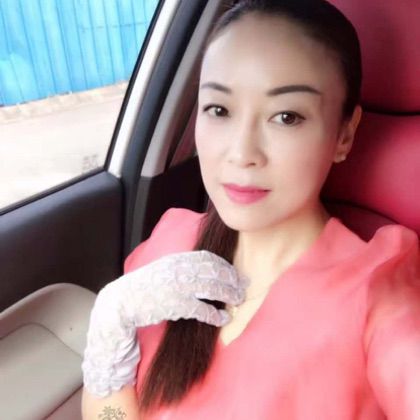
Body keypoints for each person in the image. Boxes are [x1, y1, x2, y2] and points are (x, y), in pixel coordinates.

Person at [81, 0, 420, 418]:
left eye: (286, 117)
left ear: (344, 135)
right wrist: (109, 341)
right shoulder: (169, 248)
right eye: (219, 110)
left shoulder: (376, 293)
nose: (241, 153)